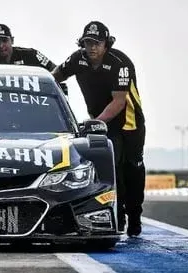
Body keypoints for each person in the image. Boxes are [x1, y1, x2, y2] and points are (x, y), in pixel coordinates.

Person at [51, 21, 146, 237]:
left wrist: (96, 123)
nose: (92, 48)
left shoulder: (120, 63)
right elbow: (54, 76)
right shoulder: (77, 58)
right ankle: (117, 215)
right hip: (102, 124)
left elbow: (119, 102)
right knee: (111, 169)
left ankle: (135, 215)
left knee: (131, 168)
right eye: (88, 43)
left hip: (129, 123)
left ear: (106, 44)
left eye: (97, 43)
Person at [0, 23, 67, 95]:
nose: (1, 46)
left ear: (12, 40)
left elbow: (55, 71)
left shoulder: (32, 55)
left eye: (4, 40)